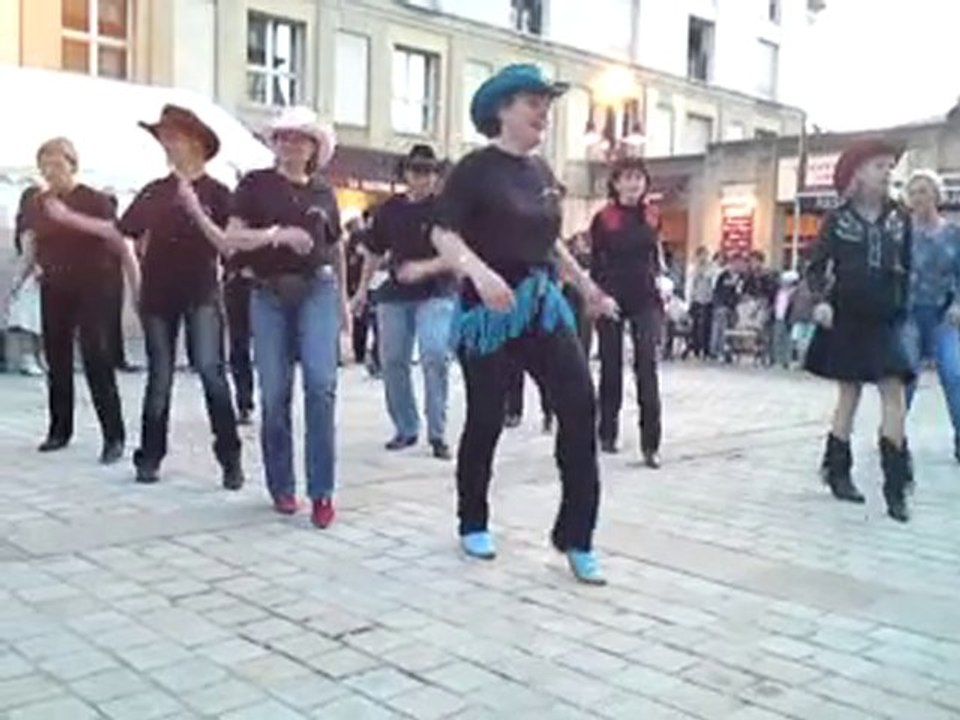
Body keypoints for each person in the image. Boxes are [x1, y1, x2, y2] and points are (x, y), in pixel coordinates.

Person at [396, 64, 618, 584]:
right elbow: (443, 235)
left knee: (580, 405)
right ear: (502, 110)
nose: (543, 112)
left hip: (540, 305)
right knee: (487, 417)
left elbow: (550, 242)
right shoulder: (474, 170)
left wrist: (586, 287)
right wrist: (479, 273)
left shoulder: (542, 173)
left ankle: (576, 535)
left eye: (546, 103)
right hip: (487, 315)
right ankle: (472, 519)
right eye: (533, 102)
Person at [44, 106, 244, 489]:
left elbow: (228, 245)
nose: (167, 145)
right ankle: (149, 457)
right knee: (160, 377)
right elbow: (120, 232)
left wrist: (194, 208)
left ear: (196, 143)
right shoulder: (155, 191)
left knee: (210, 371)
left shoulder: (219, 193)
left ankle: (230, 458)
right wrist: (70, 220)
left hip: (201, 292)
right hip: (158, 294)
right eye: (164, 138)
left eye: (174, 137)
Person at [226, 106, 348, 528]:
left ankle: (322, 491)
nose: (290, 145)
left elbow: (334, 249)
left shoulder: (323, 193)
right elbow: (231, 237)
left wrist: (346, 307)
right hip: (268, 292)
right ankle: (282, 485)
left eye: (299, 138)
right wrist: (277, 234)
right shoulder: (255, 184)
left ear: (314, 147)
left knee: (321, 385)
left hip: (318, 290)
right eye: (282, 137)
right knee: (275, 393)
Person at [805, 139, 913, 523]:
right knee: (848, 395)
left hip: (885, 318)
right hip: (847, 316)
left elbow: (909, 263)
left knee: (894, 392)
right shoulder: (838, 219)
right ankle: (837, 471)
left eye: (889, 166)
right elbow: (816, 267)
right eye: (880, 166)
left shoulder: (900, 216)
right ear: (859, 174)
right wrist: (820, 300)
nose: (887, 172)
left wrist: (906, 302)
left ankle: (896, 485)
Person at [11, 138, 136, 462]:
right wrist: (17, 281)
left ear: (72, 164)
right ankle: (59, 429)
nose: (51, 171)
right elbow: (31, 246)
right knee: (57, 357)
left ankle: (114, 436)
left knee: (96, 355)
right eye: (45, 165)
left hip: (96, 285)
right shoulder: (38, 203)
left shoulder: (94, 199)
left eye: (57, 164)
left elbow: (118, 238)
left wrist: (137, 286)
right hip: (55, 285)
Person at [351, 145, 456, 459]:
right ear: (406, 173)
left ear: (436, 176)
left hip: (437, 290)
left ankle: (437, 431)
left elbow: (458, 254)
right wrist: (360, 291)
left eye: (427, 171)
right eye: (415, 170)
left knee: (435, 354)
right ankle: (406, 426)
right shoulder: (389, 209)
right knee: (393, 360)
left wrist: (426, 268)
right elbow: (373, 252)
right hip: (396, 293)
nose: (421, 177)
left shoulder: (446, 210)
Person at [590, 156, 664, 467]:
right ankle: (607, 431)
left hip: (646, 297)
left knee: (646, 366)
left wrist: (663, 285)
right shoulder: (604, 218)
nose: (633, 184)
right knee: (611, 367)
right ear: (616, 183)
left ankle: (651, 443)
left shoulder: (652, 216)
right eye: (627, 178)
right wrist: (596, 298)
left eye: (638, 178)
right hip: (612, 297)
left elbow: (654, 256)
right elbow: (596, 262)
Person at [900, 170, 960, 462]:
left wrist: (958, 305)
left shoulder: (954, 233)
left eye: (924, 191)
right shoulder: (902, 234)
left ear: (937, 195)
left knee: (954, 373)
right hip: (908, 314)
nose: (919, 198)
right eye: (913, 193)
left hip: (943, 315)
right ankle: (893, 436)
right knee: (906, 375)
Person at [686, 246, 715, 359]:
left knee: (707, 325)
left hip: (708, 299)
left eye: (706, 255)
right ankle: (696, 348)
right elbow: (690, 285)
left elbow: (712, 280)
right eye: (701, 255)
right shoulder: (693, 268)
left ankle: (706, 349)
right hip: (696, 300)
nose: (704, 257)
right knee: (696, 325)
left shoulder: (711, 268)